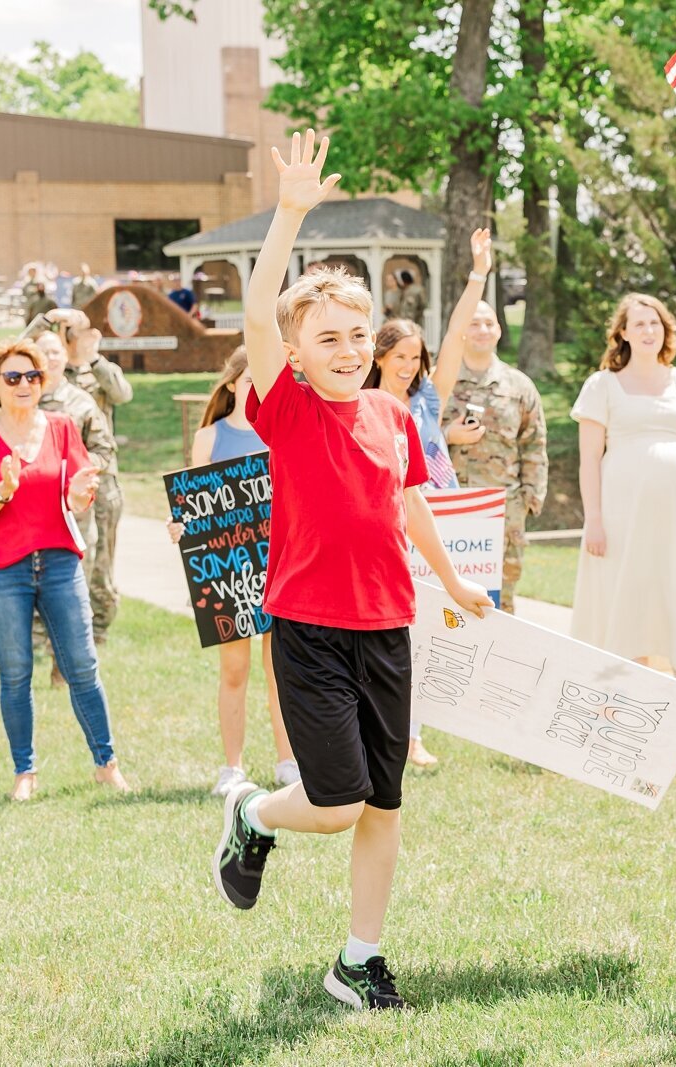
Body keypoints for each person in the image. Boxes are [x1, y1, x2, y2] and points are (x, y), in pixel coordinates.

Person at [210, 131, 491, 1012]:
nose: (346, 347)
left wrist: (448, 581)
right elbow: (258, 314)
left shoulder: (391, 412)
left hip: (387, 625)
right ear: (295, 354)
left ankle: (358, 960)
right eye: (326, 336)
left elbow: (410, 503)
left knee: (385, 803)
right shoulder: (283, 405)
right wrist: (291, 211)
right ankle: (253, 815)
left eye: (358, 334)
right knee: (334, 799)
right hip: (309, 628)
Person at [0, 337, 129, 801]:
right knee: (15, 673)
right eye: (13, 377)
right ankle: (24, 772)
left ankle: (106, 764)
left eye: (33, 376)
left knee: (82, 666)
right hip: (0, 571)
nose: (26, 384)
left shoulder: (63, 428)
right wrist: (4, 490)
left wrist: (79, 495)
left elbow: (74, 494)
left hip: (57, 562)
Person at [570, 293, 676, 751]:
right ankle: (627, 712)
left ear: (665, 331)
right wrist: (593, 519)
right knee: (630, 603)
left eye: (654, 323)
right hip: (621, 519)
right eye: (637, 323)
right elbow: (588, 461)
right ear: (622, 333)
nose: (647, 330)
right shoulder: (602, 385)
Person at [365, 235, 483, 768]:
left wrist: (478, 274)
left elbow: (457, 335)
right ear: (380, 357)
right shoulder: (364, 403)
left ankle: (413, 735)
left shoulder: (428, 399)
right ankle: (388, 729)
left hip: (438, 518)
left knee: (433, 628)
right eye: (400, 357)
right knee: (398, 629)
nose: (410, 366)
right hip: (388, 525)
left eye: (416, 357)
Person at [167, 348, 300, 794]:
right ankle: (233, 766)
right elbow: (195, 504)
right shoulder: (210, 437)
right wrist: (179, 526)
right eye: (249, 381)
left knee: (281, 669)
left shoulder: (285, 433)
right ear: (230, 385)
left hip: (282, 566)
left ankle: (288, 760)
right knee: (234, 671)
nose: (257, 389)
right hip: (227, 572)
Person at [0, 331, 119, 691]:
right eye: (42, 352)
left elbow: (103, 450)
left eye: (54, 352)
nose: (47, 359)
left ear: (63, 357)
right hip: (12, 519)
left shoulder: (79, 404)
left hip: (70, 517)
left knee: (67, 596)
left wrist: (72, 472)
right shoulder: (9, 398)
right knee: (11, 594)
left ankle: (62, 671)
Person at [441, 265, 547, 615]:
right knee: (446, 600)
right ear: (460, 331)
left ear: (499, 330)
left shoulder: (518, 386)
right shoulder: (441, 382)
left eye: (489, 323)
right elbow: (415, 436)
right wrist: (446, 435)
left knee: (502, 602)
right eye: (474, 322)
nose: (483, 329)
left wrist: (530, 499)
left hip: (504, 512)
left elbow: (534, 444)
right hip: (452, 507)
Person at [49, 309, 131, 637]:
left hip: (102, 475)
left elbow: (122, 394)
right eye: (78, 332)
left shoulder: (98, 371)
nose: (87, 336)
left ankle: (99, 625)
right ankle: (61, 627)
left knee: (102, 557)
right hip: (61, 480)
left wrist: (94, 358)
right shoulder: (48, 374)